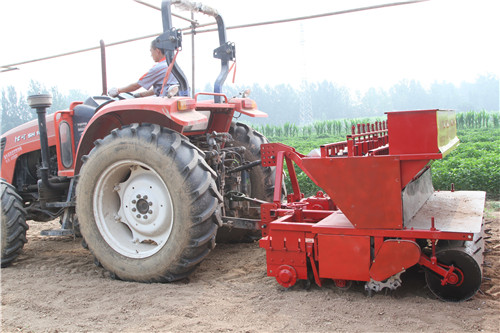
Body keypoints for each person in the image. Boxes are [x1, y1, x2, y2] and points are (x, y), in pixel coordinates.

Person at [108, 40, 179, 98]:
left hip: (166, 102)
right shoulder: (172, 65)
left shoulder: (159, 68)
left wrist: (117, 90)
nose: (151, 55)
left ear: (157, 51)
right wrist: (140, 95)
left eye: (151, 51)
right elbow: (159, 89)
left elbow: (136, 85)